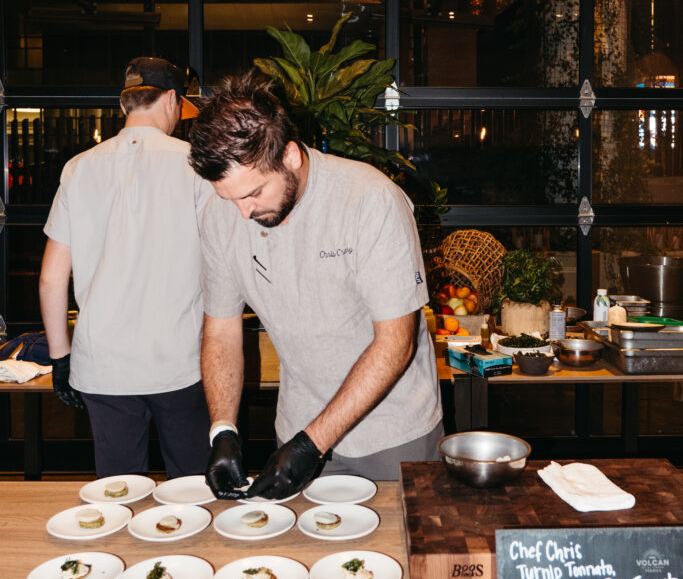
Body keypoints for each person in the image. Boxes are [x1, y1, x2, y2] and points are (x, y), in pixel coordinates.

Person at [189, 70, 443, 501]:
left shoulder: (369, 200)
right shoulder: (223, 213)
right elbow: (221, 328)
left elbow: (395, 344)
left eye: (253, 193)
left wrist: (314, 442)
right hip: (294, 433)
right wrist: (222, 429)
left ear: (290, 156)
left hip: (392, 433)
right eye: (228, 198)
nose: (242, 213)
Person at [39, 56, 214, 479]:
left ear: (124, 105)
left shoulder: (78, 168)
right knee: (194, 486)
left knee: (117, 490)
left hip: (103, 364)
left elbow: (50, 278)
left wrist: (61, 359)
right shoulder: (196, 166)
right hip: (180, 360)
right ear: (172, 99)